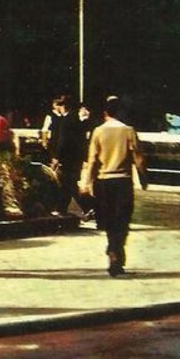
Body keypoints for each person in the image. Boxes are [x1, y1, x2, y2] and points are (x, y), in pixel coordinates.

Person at [80, 96, 147, 277]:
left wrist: (87, 182)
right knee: (122, 220)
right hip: (123, 181)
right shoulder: (129, 131)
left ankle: (113, 251)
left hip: (103, 182)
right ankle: (116, 252)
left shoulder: (98, 132)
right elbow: (138, 158)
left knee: (109, 221)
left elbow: (92, 159)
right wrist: (143, 178)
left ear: (105, 113)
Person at [48, 94, 92, 219]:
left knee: (68, 183)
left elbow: (63, 142)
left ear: (63, 106)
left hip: (66, 158)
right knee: (67, 184)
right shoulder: (75, 120)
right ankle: (62, 208)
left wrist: (56, 157)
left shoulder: (66, 121)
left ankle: (87, 206)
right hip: (76, 158)